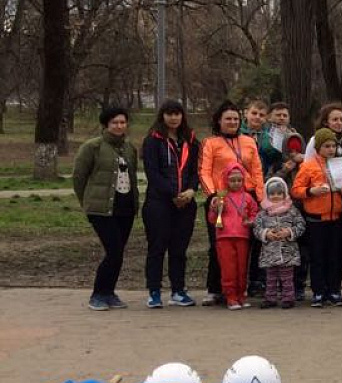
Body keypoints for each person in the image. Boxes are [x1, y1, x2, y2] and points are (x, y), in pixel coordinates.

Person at [199, 101, 266, 306]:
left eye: (236, 119)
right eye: (228, 118)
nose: (232, 122)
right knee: (218, 246)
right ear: (219, 121)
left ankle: (242, 289)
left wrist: (261, 198)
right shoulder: (211, 143)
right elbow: (204, 171)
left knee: (246, 246)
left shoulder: (249, 142)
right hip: (221, 201)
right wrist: (212, 196)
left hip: (247, 199)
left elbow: (257, 171)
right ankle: (215, 289)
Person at [74, 107, 140, 311]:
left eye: (122, 122)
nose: (119, 126)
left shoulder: (129, 148)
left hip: (125, 208)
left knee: (118, 252)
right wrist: (87, 202)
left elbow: (133, 176)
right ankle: (98, 294)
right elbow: (79, 177)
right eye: (115, 123)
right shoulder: (92, 147)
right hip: (101, 209)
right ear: (106, 125)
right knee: (113, 251)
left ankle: (109, 293)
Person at [140, 100, 199, 309]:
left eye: (177, 114)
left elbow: (195, 170)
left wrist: (191, 190)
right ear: (162, 116)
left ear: (183, 116)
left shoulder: (191, 140)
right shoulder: (153, 140)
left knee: (179, 249)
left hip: (186, 204)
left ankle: (178, 290)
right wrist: (173, 193)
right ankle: (154, 291)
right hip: (159, 204)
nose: (173, 118)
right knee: (157, 248)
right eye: (169, 114)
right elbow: (152, 173)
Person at [291, 128, 342, 307]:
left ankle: (334, 290)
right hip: (316, 220)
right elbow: (295, 190)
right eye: (326, 146)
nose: (331, 149)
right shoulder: (308, 166)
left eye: (333, 146)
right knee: (317, 257)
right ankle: (318, 291)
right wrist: (311, 191)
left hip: (336, 218)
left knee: (335, 257)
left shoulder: (340, 163)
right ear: (318, 147)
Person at [209, 164, 258, 310]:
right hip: (224, 236)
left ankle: (241, 294)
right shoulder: (220, 197)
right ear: (226, 180)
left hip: (242, 236)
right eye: (232, 180)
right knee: (228, 268)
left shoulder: (248, 197)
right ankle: (230, 296)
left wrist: (251, 221)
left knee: (242, 268)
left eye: (239, 180)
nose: (236, 183)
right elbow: (212, 219)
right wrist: (215, 209)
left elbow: (255, 213)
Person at [254, 177, 305, 309]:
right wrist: (266, 233)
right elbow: (256, 228)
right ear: (267, 194)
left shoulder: (292, 210)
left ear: (284, 193)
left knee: (287, 276)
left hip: (288, 250)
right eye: (272, 194)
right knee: (270, 276)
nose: (275, 196)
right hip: (269, 251)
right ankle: (270, 298)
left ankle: (288, 297)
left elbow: (301, 225)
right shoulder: (262, 213)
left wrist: (289, 232)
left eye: (279, 193)